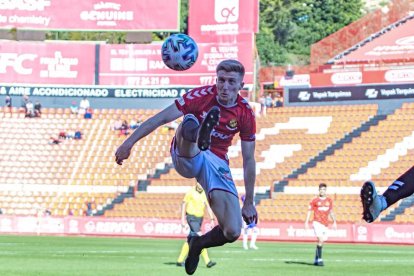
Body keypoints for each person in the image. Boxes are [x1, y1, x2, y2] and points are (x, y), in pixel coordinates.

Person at [115, 59, 257, 275]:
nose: (224, 86)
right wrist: (128, 143)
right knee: (189, 119)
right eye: (221, 80)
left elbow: (248, 159)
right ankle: (199, 135)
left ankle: (197, 245)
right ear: (215, 80)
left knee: (232, 230)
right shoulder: (200, 96)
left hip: (217, 161)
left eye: (231, 82)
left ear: (241, 86)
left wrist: (249, 202)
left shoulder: (245, 113)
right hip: (187, 154)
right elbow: (161, 118)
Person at [177, 183, 216, 269]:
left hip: (199, 219)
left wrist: (212, 219)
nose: (200, 186)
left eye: (202, 184)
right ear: (196, 183)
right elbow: (184, 204)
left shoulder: (204, 193)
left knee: (190, 238)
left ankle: (179, 261)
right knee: (200, 237)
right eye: (199, 184)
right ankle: (207, 261)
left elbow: (208, 206)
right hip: (191, 218)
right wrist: (182, 219)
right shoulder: (190, 192)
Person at [304, 183, 337, 266]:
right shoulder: (315, 200)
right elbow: (309, 211)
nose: (322, 191)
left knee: (321, 242)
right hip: (317, 222)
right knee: (320, 239)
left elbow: (331, 212)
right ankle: (319, 259)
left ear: (326, 191)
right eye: (321, 189)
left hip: (325, 223)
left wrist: (334, 222)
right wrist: (306, 222)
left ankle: (316, 259)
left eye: (324, 189)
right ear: (319, 190)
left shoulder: (329, 200)